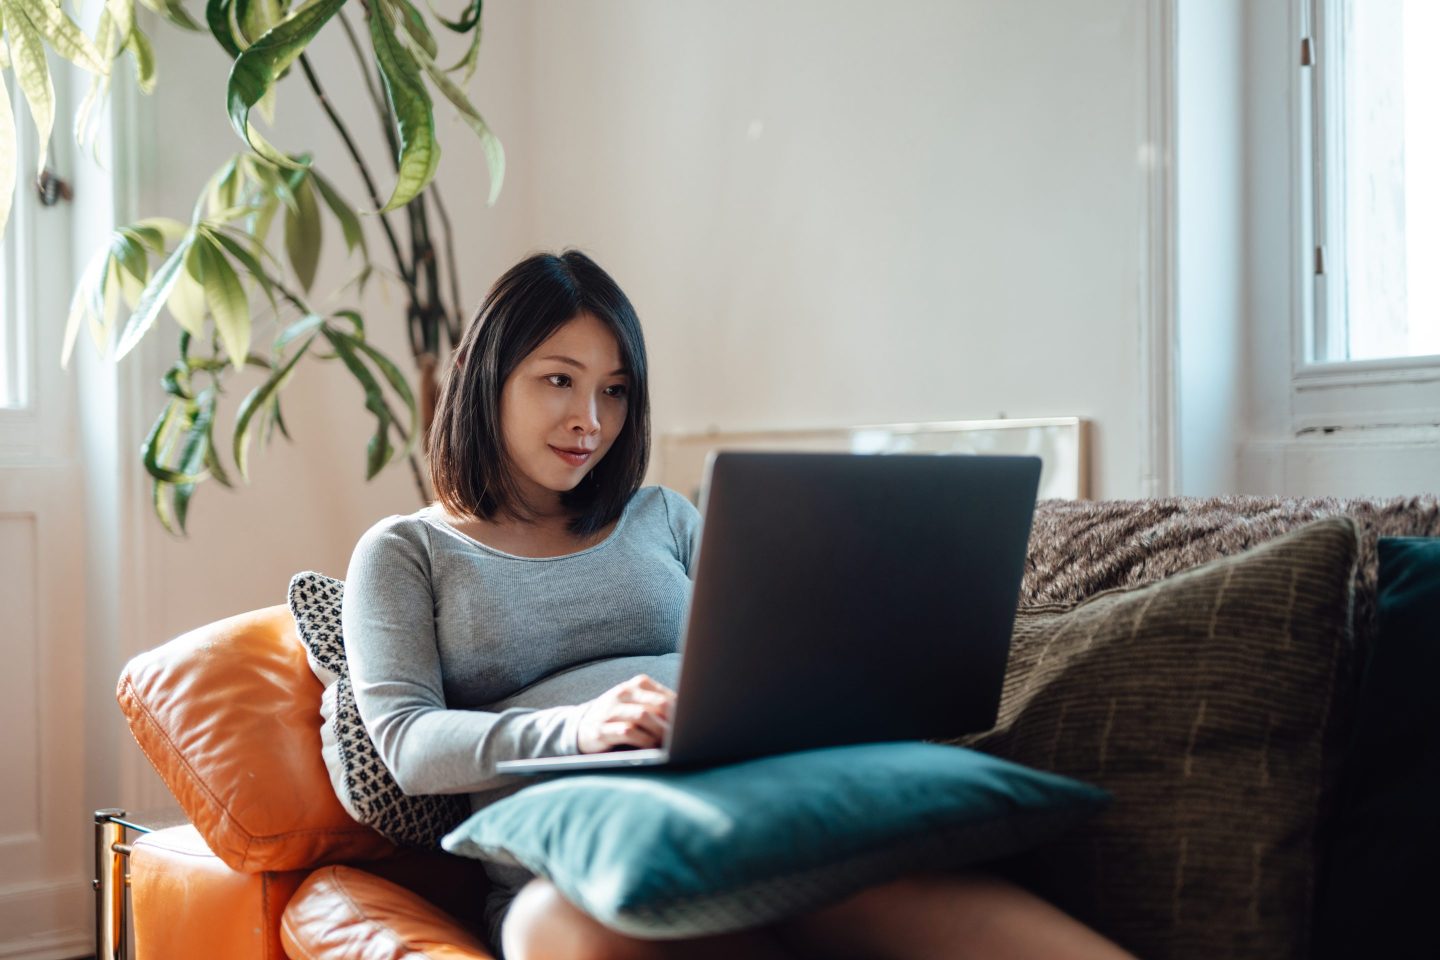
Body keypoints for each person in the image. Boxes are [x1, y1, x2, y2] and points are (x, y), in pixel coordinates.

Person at [342, 250, 1135, 960]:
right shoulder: (407, 551)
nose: (591, 420)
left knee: (888, 884)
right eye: (560, 380)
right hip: (579, 866)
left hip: (747, 816)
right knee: (559, 930)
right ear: (487, 376)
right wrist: (579, 728)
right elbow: (407, 742)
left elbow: (749, 670)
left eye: (614, 391)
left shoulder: (662, 518)